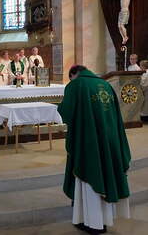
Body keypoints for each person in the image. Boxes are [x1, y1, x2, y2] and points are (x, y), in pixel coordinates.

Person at [58, 65, 131, 234]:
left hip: (88, 141)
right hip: (110, 139)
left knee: (90, 176)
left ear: (74, 74)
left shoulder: (76, 85)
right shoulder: (106, 85)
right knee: (106, 174)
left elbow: (66, 112)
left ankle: (94, 223)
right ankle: (105, 219)